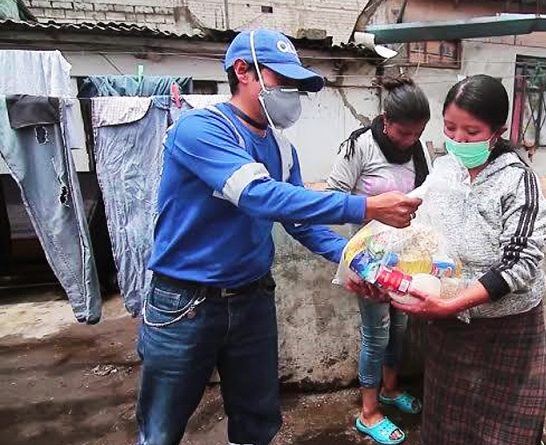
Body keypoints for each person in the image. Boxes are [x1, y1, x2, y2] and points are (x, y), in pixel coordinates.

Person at [137, 28, 421, 445]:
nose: (291, 94)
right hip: (186, 303)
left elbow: (300, 222)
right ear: (242, 71)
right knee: (161, 429)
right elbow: (258, 196)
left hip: (252, 298)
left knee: (257, 421)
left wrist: (356, 261)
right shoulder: (200, 130)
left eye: (296, 86)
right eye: (282, 81)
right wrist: (365, 207)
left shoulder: (283, 148)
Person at [392, 74, 546, 445]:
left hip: (508, 330)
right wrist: (376, 254)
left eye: (472, 132)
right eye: (450, 128)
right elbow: (418, 219)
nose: (459, 140)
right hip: (451, 328)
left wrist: (451, 303)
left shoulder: (518, 182)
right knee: (448, 424)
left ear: (497, 131)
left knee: (506, 429)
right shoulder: (444, 169)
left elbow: (520, 263)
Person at [327, 77, 430, 445]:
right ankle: (368, 412)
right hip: (368, 260)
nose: (409, 141)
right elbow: (333, 199)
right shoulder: (360, 146)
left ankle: (389, 389)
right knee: (377, 334)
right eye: (404, 133)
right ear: (386, 121)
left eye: (417, 133)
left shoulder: (419, 151)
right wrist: (373, 211)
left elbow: (425, 198)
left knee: (400, 328)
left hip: (405, 258)